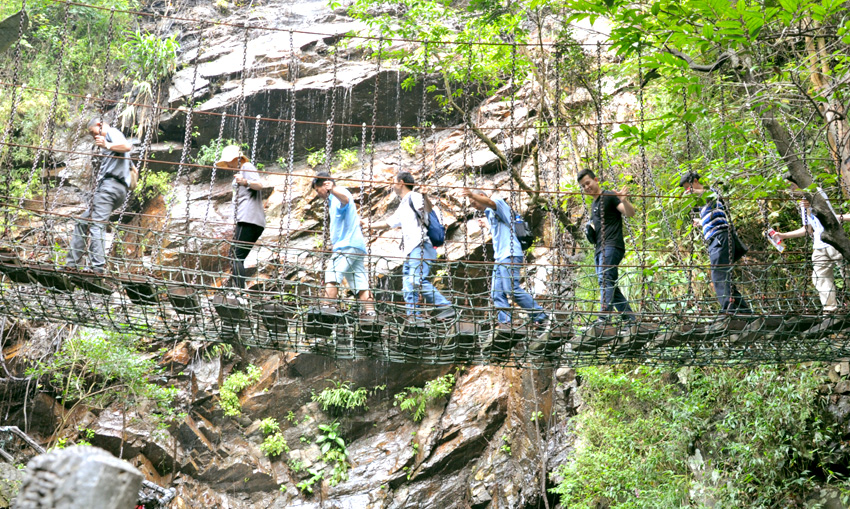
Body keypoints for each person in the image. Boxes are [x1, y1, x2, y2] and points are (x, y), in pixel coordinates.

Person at [364, 172, 454, 319]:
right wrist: (368, 225)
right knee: (408, 286)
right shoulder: (404, 203)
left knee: (415, 280)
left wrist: (425, 196)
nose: (392, 185)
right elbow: (389, 223)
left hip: (422, 245)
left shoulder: (415, 197)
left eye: (394, 181)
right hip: (411, 251)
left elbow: (428, 209)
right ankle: (414, 317)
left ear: (401, 182)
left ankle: (444, 306)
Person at [462, 188, 548, 330]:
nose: (474, 206)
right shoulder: (490, 213)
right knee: (496, 293)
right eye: (472, 204)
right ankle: (506, 323)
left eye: (474, 202)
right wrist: (487, 225)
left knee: (511, 289)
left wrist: (471, 195)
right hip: (500, 258)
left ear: (481, 196)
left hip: (510, 254)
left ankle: (540, 316)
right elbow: (501, 228)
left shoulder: (497, 202)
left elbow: (491, 203)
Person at [771, 173, 849, 313]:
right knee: (820, 278)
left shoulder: (816, 191)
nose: (790, 190)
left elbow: (828, 215)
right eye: (788, 188)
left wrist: (811, 203)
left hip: (834, 241)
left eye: (791, 186)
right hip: (819, 246)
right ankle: (830, 310)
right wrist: (783, 235)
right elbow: (807, 229)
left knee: (847, 273)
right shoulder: (803, 202)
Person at [66, 118, 133, 274]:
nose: (93, 136)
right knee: (82, 222)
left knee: (97, 225)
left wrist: (107, 145)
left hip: (109, 188)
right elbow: (131, 166)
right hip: (119, 190)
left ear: (99, 125)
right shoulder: (113, 142)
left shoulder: (111, 133)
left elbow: (127, 146)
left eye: (92, 132)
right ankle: (71, 263)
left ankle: (97, 267)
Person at [679, 171, 751, 314]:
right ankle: (743, 311)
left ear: (695, 181)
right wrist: (701, 222)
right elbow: (715, 216)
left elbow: (710, 195)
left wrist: (694, 192)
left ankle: (729, 311)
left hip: (719, 237)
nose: (688, 190)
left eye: (688, 187)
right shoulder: (703, 202)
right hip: (717, 238)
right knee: (723, 275)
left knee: (719, 275)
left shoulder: (709, 192)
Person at [576, 169, 636, 323]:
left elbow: (630, 213)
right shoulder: (594, 204)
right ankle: (630, 319)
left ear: (596, 180)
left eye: (588, 183)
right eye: (583, 186)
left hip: (612, 246)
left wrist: (624, 200)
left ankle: (604, 317)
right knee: (608, 284)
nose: (587, 187)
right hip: (600, 249)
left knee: (605, 279)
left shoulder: (609, 196)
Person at [311, 172, 375, 315]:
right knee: (360, 283)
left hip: (346, 246)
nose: (317, 193)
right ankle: (371, 314)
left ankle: (327, 309)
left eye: (317, 189)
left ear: (325, 185)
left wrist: (332, 189)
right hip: (356, 247)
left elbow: (345, 200)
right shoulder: (333, 199)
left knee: (332, 274)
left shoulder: (338, 194)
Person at [215, 145, 265, 289]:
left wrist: (245, 182)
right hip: (250, 219)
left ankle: (240, 291)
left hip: (248, 218)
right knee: (236, 256)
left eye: (228, 161)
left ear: (236, 158)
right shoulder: (242, 170)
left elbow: (259, 185)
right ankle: (239, 289)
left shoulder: (246, 167)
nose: (228, 165)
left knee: (236, 256)